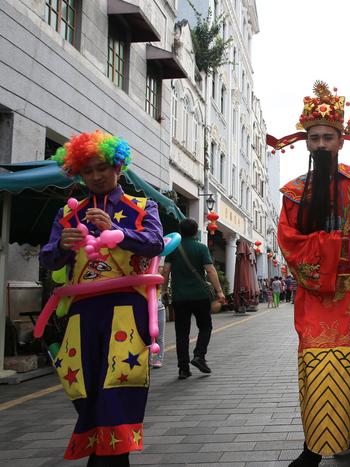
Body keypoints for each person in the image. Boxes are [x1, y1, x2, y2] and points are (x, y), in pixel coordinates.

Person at [276, 82, 350, 466]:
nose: (322, 144)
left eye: (329, 137)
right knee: (317, 368)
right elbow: (290, 243)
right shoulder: (294, 193)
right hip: (314, 296)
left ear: (341, 141)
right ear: (306, 143)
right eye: (315, 138)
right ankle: (313, 447)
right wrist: (339, 240)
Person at [39, 131, 164, 464]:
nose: (95, 176)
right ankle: (104, 455)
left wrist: (119, 232)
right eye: (88, 171)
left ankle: (110, 458)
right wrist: (62, 246)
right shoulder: (68, 215)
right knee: (84, 389)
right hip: (83, 315)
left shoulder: (141, 207)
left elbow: (154, 242)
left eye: (102, 168)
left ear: (118, 167)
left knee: (121, 387)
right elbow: (49, 259)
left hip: (126, 309)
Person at [162, 218, 225, 380]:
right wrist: (219, 292)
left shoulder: (173, 249)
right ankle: (199, 356)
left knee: (181, 333)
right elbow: (210, 271)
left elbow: (166, 271)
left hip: (180, 297)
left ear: (180, 231)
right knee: (205, 327)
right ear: (196, 231)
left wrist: (163, 291)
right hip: (200, 296)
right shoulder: (201, 248)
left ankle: (183, 369)